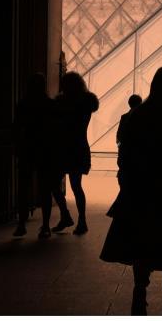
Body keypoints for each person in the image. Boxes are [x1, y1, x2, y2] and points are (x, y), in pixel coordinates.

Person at [100, 67, 162, 316]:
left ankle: (139, 291)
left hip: (142, 191)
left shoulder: (137, 116)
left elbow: (126, 157)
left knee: (143, 242)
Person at [12, 72, 68, 239]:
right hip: (46, 151)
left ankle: (21, 224)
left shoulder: (22, 105)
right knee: (45, 190)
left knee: (23, 188)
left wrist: (18, 147)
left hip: (28, 149)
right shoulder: (51, 105)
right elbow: (59, 130)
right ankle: (45, 226)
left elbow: (17, 129)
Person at [53, 71, 99, 235]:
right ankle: (81, 220)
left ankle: (66, 215)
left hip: (64, 148)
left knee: (53, 183)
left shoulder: (62, 103)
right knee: (76, 186)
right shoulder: (86, 103)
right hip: (79, 147)